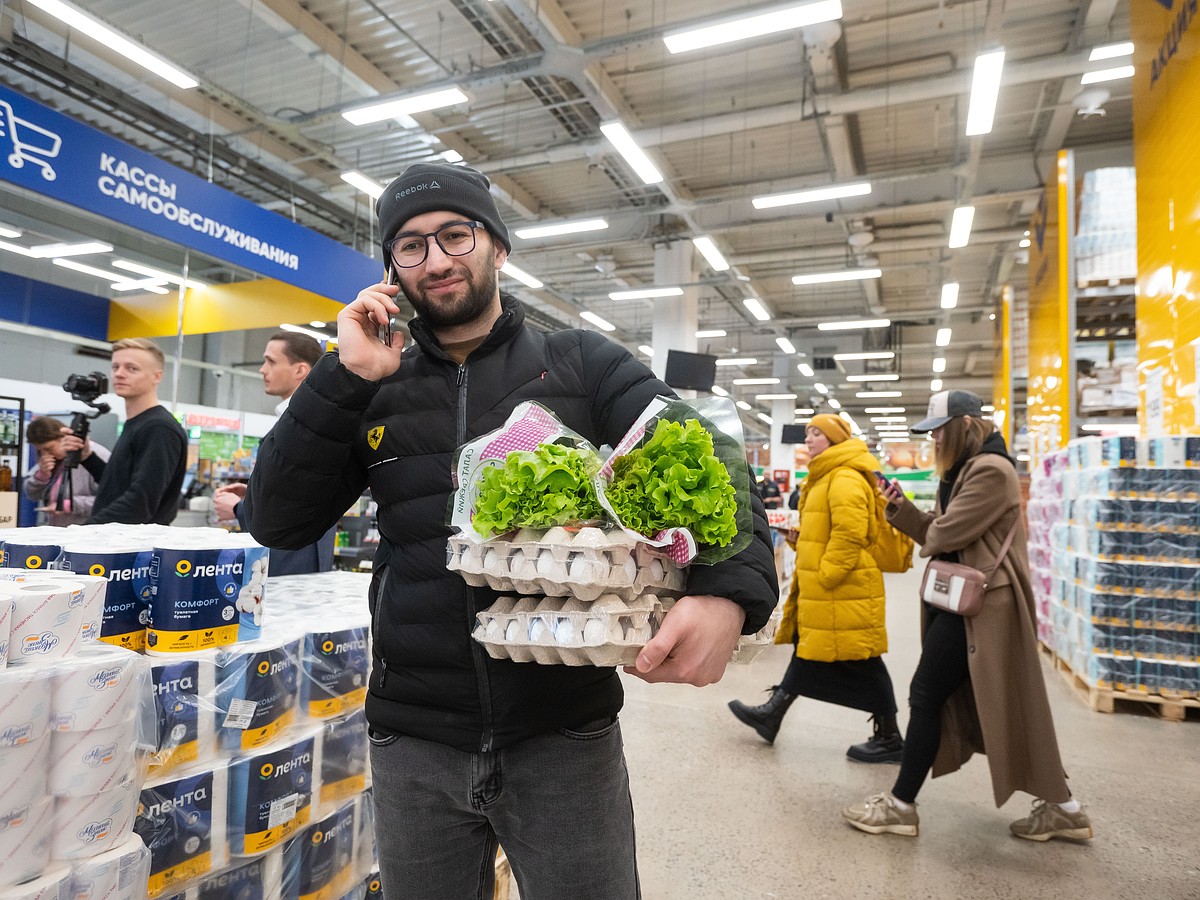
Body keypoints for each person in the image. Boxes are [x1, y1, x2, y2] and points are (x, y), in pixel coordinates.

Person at [244, 161, 778, 899]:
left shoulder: (582, 365)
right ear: (392, 271)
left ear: (497, 246)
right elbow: (275, 518)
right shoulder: (370, 384)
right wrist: (342, 375)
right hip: (414, 739)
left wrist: (729, 592)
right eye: (410, 245)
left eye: (454, 234)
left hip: (562, 734)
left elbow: (710, 461)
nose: (435, 259)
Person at [843, 390, 1093, 842]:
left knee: (928, 693)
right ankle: (1066, 809)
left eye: (939, 431)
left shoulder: (991, 472)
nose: (934, 440)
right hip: (965, 600)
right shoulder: (968, 471)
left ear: (962, 426)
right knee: (995, 704)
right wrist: (902, 510)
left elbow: (943, 533)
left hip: (982, 607)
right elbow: (941, 533)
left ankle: (901, 805)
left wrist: (926, 520)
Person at [728, 414, 903, 762]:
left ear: (835, 439)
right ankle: (773, 713)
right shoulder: (828, 474)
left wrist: (827, 574)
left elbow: (850, 533)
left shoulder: (843, 476)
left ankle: (889, 737)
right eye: (808, 433)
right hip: (837, 587)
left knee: (862, 659)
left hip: (844, 586)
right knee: (810, 651)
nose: (808, 439)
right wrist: (800, 539)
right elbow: (828, 532)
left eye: (816, 433)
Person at [213, 332, 335, 576]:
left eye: (271, 361)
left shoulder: (308, 424)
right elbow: (297, 488)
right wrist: (255, 493)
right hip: (292, 556)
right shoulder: (297, 421)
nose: (262, 369)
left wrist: (239, 509)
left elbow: (301, 506)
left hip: (294, 562)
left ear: (300, 370)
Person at [61, 338, 188, 525]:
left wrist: (81, 533)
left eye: (132, 368)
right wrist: (87, 457)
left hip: (135, 548)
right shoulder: (138, 423)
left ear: (157, 376)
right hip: (119, 542)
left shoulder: (158, 429)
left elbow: (139, 504)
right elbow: (119, 485)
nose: (119, 374)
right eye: (115, 367)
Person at [22, 415, 111, 525]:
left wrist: (69, 505)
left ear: (63, 437)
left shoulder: (96, 455)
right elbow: (31, 495)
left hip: (87, 531)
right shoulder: (52, 458)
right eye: (40, 450)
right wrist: (41, 476)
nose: (46, 454)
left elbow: (111, 499)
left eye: (48, 448)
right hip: (57, 530)